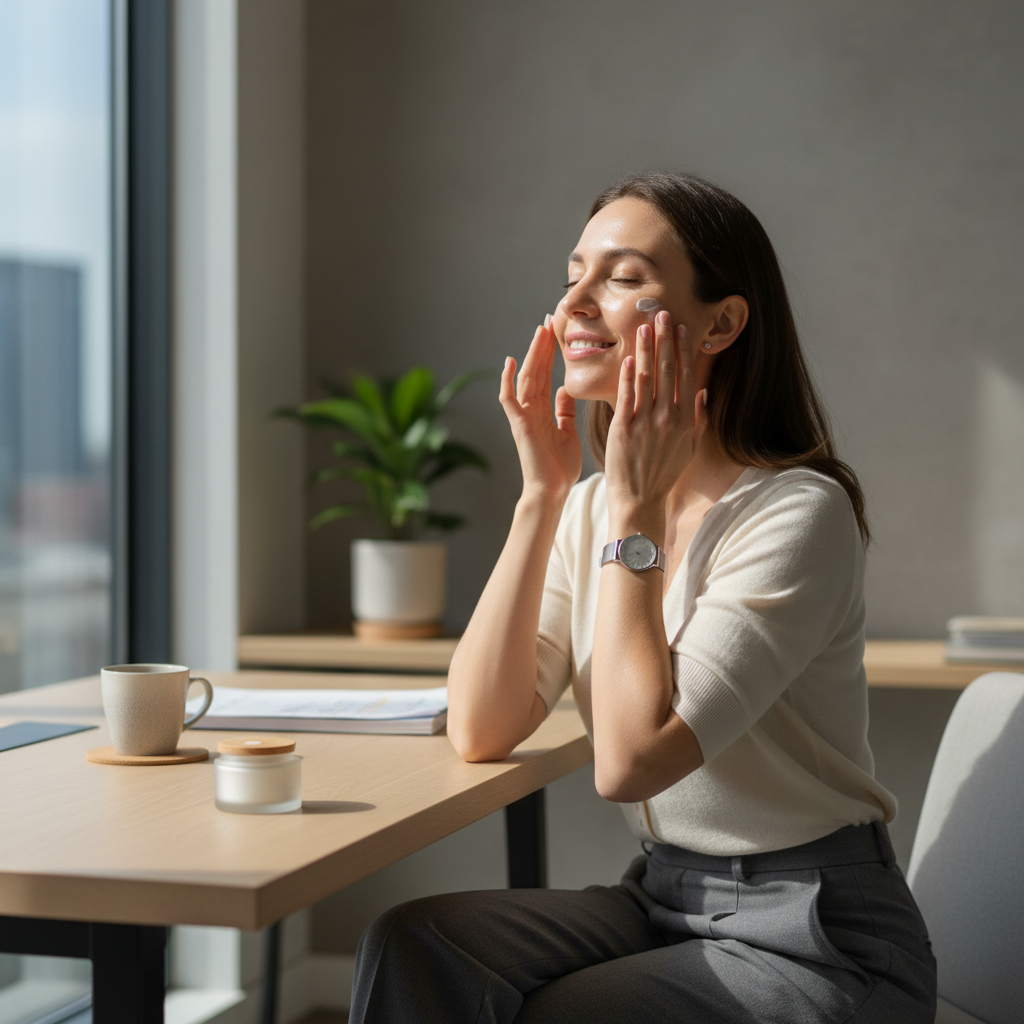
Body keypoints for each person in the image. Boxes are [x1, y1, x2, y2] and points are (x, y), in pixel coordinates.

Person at [348, 173, 937, 1023]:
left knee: (565, 1012)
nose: (575, 304)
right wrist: (542, 497)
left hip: (818, 933)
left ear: (723, 323)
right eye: (573, 275)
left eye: (623, 279)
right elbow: (482, 726)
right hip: (662, 898)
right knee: (416, 944)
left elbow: (631, 762)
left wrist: (635, 512)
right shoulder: (590, 506)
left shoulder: (798, 513)